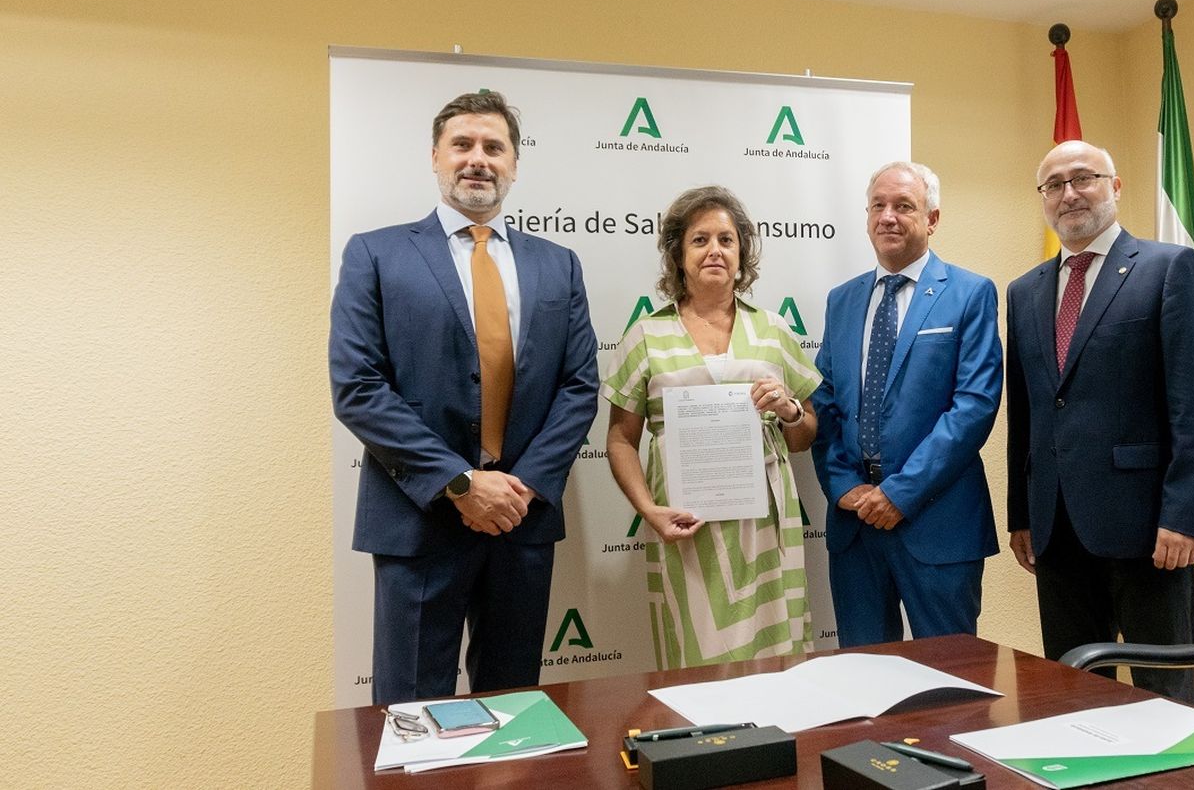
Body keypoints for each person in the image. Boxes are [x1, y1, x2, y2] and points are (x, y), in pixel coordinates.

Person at [330, 90, 599, 705]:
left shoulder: (558, 265)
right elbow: (358, 386)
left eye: (493, 147)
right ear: (435, 156)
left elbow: (579, 385)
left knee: (515, 711)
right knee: (411, 715)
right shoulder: (376, 254)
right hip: (420, 520)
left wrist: (521, 487)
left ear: (514, 164)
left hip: (521, 520)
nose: (478, 159)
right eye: (462, 144)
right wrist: (459, 483)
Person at [1005, 140, 1194, 703]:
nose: (1069, 194)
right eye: (1054, 185)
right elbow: (1028, 410)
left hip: (1151, 530)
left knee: (1165, 693)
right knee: (1071, 691)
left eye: (1084, 178)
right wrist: (1022, 515)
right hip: (1056, 529)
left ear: (1116, 186)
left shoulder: (1169, 268)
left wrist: (1188, 516)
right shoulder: (1026, 290)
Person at [602, 185, 821, 669]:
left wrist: (788, 410)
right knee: (694, 661)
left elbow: (806, 434)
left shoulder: (774, 330)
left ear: (743, 253)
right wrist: (648, 510)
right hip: (685, 526)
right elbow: (619, 440)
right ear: (678, 256)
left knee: (775, 662)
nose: (714, 250)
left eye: (726, 239)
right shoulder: (645, 335)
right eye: (700, 240)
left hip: (766, 527)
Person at [809, 161, 1003, 646]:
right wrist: (841, 484)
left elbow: (974, 406)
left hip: (936, 522)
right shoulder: (842, 300)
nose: (888, 217)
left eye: (904, 206)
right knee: (865, 684)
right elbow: (824, 402)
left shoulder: (970, 293)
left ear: (932, 218)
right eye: (878, 206)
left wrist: (901, 493)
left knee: (950, 684)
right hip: (855, 525)